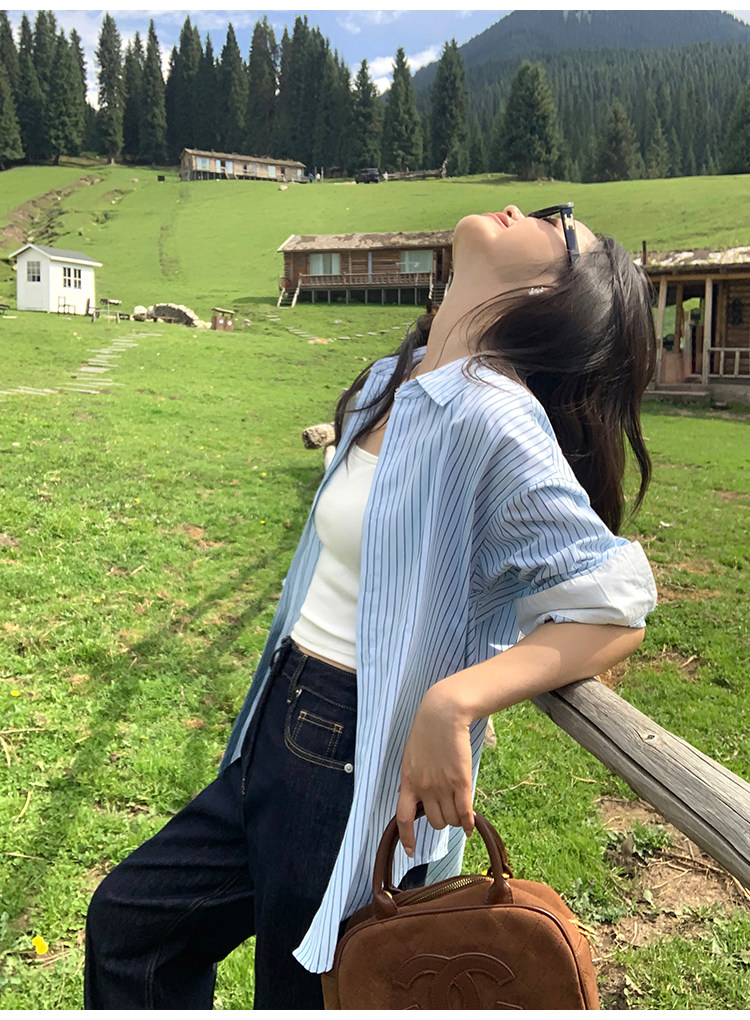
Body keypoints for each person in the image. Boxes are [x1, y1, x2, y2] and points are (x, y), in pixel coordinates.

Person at [85, 202, 657, 1010]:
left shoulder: (492, 416)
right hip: (282, 715)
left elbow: (616, 604)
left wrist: (456, 701)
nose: (525, 208)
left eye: (556, 222)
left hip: (352, 750)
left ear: (553, 292)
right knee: (133, 925)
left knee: (300, 995)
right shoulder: (400, 378)